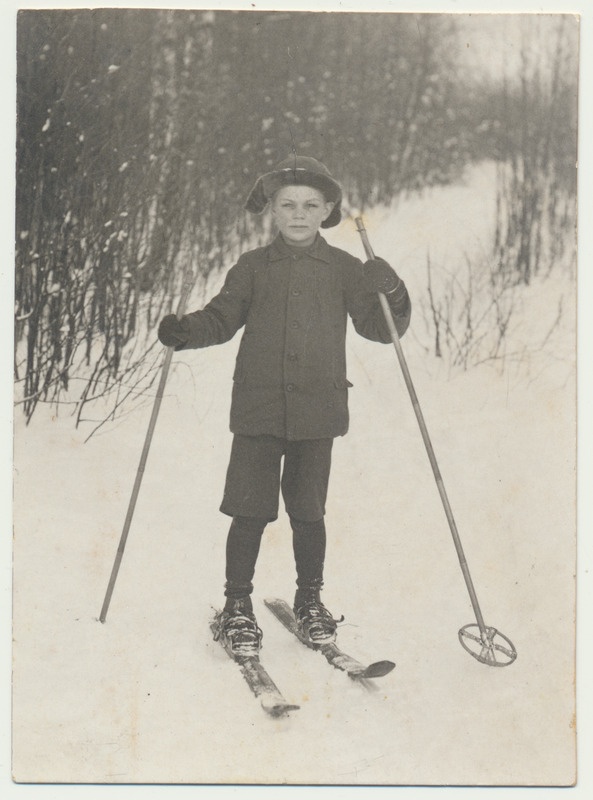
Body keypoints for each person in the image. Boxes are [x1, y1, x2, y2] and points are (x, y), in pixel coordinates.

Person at [158, 155, 411, 658]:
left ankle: (310, 599)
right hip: (259, 409)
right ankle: (236, 605)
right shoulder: (252, 267)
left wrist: (393, 290)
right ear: (272, 211)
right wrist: (185, 332)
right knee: (248, 510)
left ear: (328, 211)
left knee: (308, 511)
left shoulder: (345, 268)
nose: (299, 214)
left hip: (319, 411)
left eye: (310, 205)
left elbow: (382, 329)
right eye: (288, 205)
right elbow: (221, 319)